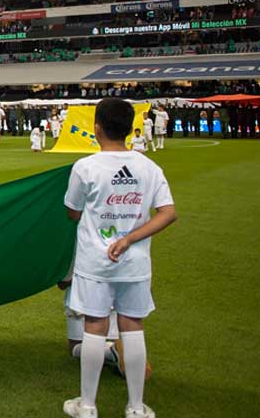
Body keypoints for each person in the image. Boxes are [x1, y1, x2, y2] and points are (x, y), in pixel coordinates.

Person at [62, 98, 177, 418]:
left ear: (96, 127)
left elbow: (72, 212)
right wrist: (130, 238)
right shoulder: (148, 166)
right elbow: (168, 213)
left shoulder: (85, 167)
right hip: (134, 262)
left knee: (95, 326)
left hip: (95, 262)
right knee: (132, 326)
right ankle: (136, 407)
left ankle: (87, 406)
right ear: (130, 128)